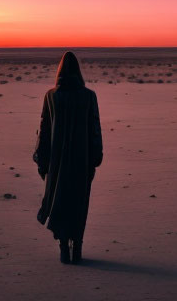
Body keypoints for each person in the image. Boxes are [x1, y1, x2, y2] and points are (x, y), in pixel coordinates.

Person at [32, 51, 103, 264]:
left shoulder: (52, 95)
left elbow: (44, 130)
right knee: (79, 203)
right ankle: (77, 248)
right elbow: (95, 129)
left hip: (57, 162)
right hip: (81, 160)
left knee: (60, 201)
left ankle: (64, 248)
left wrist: (42, 160)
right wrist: (95, 158)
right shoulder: (88, 96)